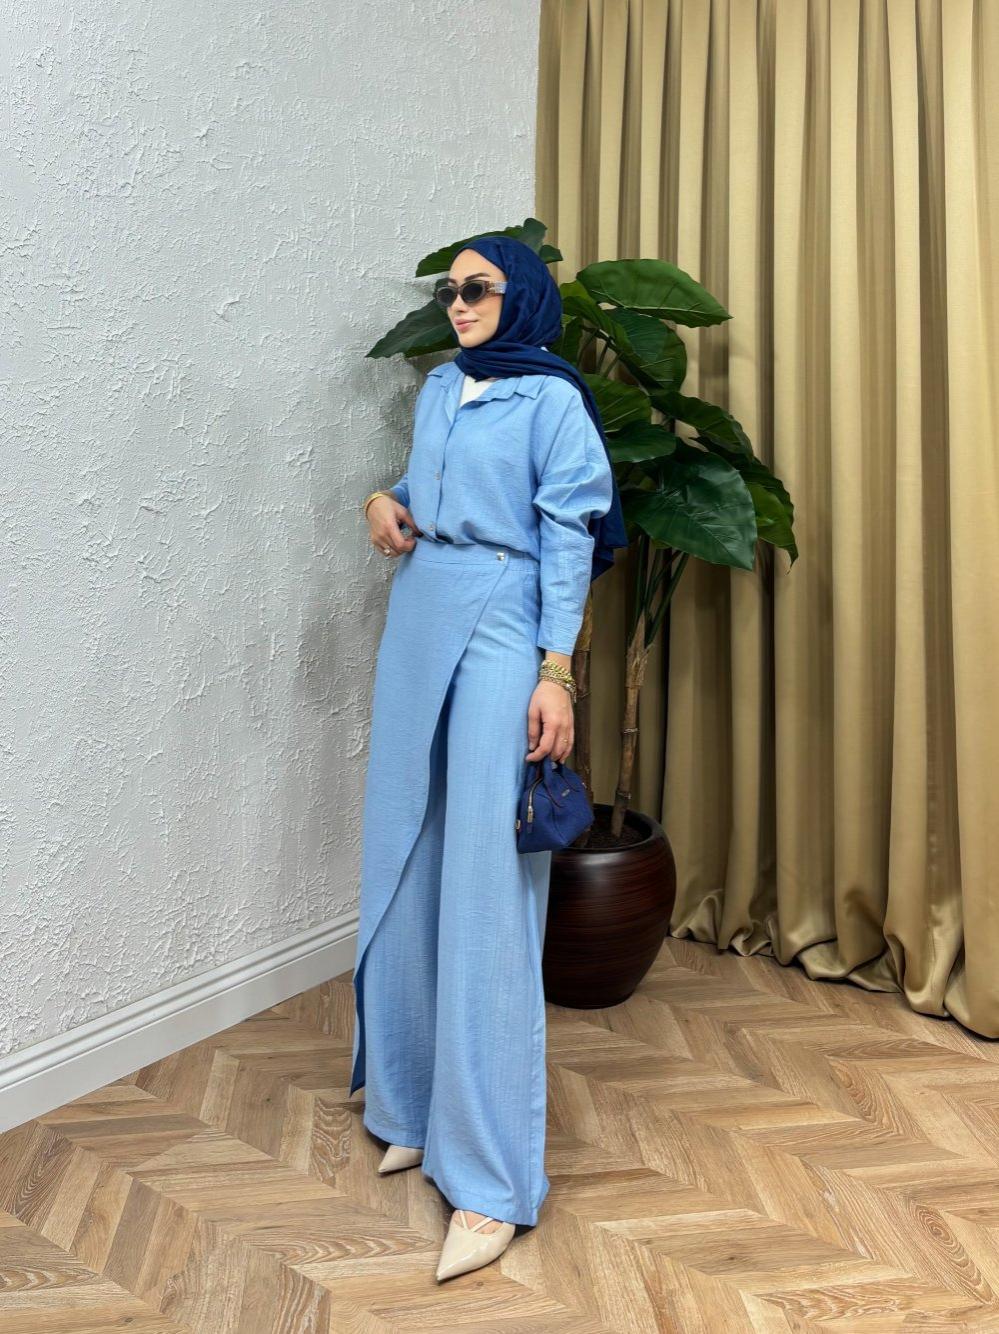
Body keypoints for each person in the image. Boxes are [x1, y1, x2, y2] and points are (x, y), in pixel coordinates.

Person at [353, 235, 627, 1283]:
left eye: (476, 288)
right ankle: (413, 1104)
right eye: (449, 290)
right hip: (421, 614)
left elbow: (569, 536)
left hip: (506, 623)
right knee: (407, 853)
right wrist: (380, 501)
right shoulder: (441, 387)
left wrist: (556, 670)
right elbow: (422, 485)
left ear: (523, 298)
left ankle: (491, 1177)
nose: (457, 303)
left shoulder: (551, 400)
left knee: (485, 884)